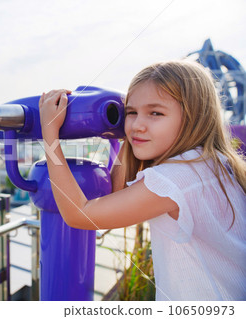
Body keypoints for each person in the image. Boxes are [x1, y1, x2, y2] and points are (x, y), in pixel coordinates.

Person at [38, 60, 246, 301]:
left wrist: (50, 133)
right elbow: (115, 194)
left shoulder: (174, 180)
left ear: (194, 117)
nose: (137, 125)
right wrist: (124, 137)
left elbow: (80, 214)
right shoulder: (215, 163)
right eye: (131, 113)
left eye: (155, 113)